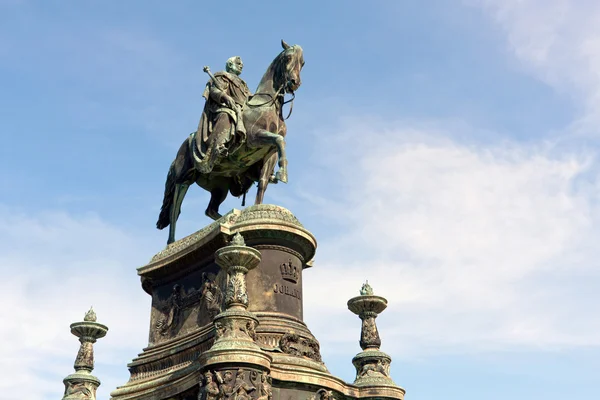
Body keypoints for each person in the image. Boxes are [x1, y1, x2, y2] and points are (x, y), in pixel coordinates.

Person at [194, 56, 252, 174]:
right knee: (227, 115)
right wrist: (225, 97)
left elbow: (248, 97)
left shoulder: (243, 83)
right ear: (230, 65)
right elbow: (214, 91)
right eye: (238, 63)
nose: (241, 65)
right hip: (224, 107)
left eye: (242, 64)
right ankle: (218, 145)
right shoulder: (221, 76)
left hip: (242, 108)